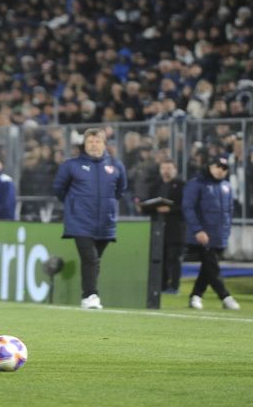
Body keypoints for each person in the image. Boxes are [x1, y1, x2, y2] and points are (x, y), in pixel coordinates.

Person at [52, 128, 127, 309]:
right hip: (80, 222)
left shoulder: (116, 166)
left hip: (105, 222)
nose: (94, 145)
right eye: (90, 142)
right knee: (90, 259)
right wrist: (75, 205)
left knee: (94, 261)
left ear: (104, 144)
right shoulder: (72, 165)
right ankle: (90, 295)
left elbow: (120, 190)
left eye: (97, 141)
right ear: (84, 145)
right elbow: (59, 189)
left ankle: (88, 293)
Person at [183, 156, 240, 310]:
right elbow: (188, 208)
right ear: (209, 166)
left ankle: (196, 296)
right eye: (218, 166)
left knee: (207, 268)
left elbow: (229, 211)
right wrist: (198, 230)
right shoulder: (196, 184)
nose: (221, 170)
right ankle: (226, 296)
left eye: (224, 168)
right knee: (212, 266)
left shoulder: (227, 186)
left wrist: (226, 231)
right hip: (203, 234)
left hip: (220, 234)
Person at [141, 160, 185, 294]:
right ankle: (162, 285)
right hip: (158, 228)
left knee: (173, 258)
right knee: (160, 257)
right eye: (163, 168)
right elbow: (147, 205)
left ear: (175, 170)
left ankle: (174, 285)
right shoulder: (155, 185)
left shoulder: (182, 186)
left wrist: (170, 209)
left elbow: (187, 207)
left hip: (175, 228)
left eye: (169, 168)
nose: (166, 171)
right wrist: (145, 207)